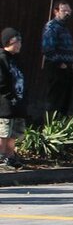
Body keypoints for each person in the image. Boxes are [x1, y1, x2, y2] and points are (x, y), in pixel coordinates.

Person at [41, 1, 73, 115]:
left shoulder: (64, 28)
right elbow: (48, 48)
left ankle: (61, 124)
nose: (67, 13)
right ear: (56, 11)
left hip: (67, 67)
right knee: (54, 98)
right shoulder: (51, 27)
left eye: (69, 11)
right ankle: (50, 125)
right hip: (56, 67)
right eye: (64, 10)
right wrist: (60, 63)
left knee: (65, 98)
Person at [0, 28, 27, 170]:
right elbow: (1, 82)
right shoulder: (2, 58)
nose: (20, 44)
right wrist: (11, 97)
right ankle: (1, 156)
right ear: (9, 42)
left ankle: (9, 157)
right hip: (5, 105)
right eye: (17, 41)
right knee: (3, 132)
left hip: (17, 105)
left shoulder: (15, 60)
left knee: (13, 134)